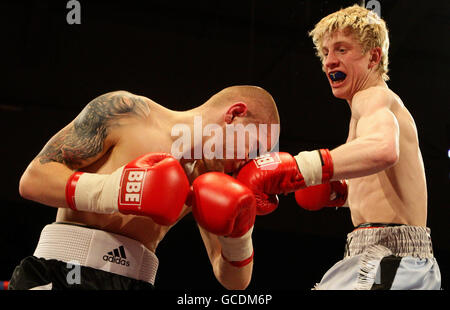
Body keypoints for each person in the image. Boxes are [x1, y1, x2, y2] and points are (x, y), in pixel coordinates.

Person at [235, 5, 441, 290]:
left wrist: (301, 167)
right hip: (378, 254)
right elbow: (382, 178)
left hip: (390, 257)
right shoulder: (365, 109)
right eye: (326, 52)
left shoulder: (372, 98)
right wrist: (339, 192)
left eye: (342, 50)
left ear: (373, 57)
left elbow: (383, 149)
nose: (329, 61)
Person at [10, 85, 280, 290]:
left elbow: (234, 281)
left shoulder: (208, 179)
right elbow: (33, 179)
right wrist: (114, 190)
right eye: (253, 147)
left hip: (136, 283)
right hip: (61, 272)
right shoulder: (128, 112)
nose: (246, 162)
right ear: (235, 114)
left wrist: (240, 235)